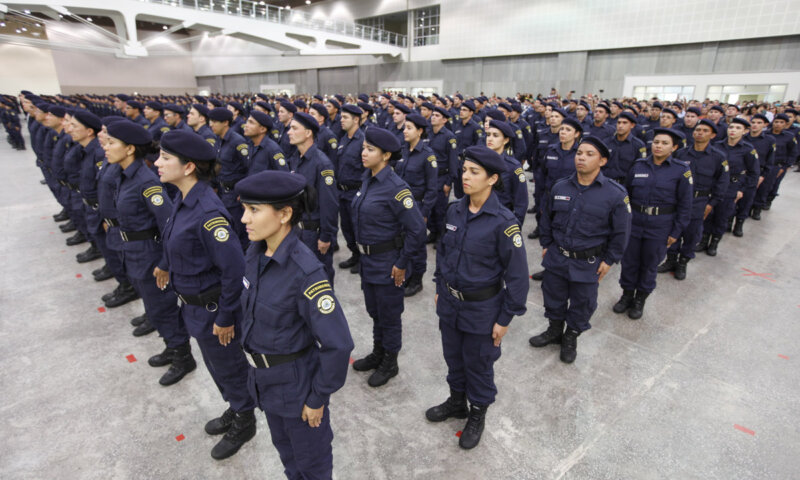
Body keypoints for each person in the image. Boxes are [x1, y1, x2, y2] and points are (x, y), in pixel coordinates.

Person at [235, 170, 354, 480]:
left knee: (312, 467)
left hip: (298, 391)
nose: (244, 218)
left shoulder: (306, 273)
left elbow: (338, 344)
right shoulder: (256, 253)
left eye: (254, 210)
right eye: (245, 209)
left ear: (285, 214)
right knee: (289, 461)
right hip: (266, 382)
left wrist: (318, 398)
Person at [152, 130, 257, 460]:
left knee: (230, 367)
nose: (158, 162)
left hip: (214, 309)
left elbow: (234, 270)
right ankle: (235, 406)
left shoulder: (209, 214)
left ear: (188, 167)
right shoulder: (183, 200)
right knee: (215, 366)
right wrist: (165, 265)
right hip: (193, 306)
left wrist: (225, 316)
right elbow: (176, 240)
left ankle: (245, 417)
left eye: (166, 158)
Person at [427, 145, 529, 450]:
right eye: (464, 170)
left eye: (474, 172)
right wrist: (437, 285)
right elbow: (443, 252)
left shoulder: (503, 221)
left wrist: (505, 318)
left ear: (492, 179)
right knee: (453, 358)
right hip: (450, 302)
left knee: (479, 364)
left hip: (482, 309)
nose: (465, 176)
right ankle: (457, 401)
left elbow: (518, 276)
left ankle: (477, 413)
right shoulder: (454, 209)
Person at [105, 120, 196, 385]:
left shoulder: (147, 182)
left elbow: (169, 225)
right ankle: (172, 346)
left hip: (150, 254)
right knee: (154, 308)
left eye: (112, 142)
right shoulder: (123, 176)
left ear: (130, 148)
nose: (106, 147)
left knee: (163, 308)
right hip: (132, 251)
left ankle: (183, 356)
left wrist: (165, 262)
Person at [530, 136, 630, 362]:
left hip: (588, 261)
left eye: (589, 154)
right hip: (557, 257)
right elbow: (547, 217)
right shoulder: (560, 186)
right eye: (579, 153)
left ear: (602, 161)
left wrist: (610, 260)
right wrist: (546, 244)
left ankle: (571, 336)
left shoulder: (615, 194)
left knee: (583, 303)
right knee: (553, 296)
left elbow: (621, 232)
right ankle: (554, 330)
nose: (581, 158)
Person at [350, 127, 427, 387]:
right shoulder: (367, 179)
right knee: (375, 312)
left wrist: (402, 263)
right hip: (368, 261)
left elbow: (417, 230)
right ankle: (378, 352)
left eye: (370, 149)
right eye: (364, 147)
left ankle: (390, 361)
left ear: (385, 156)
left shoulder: (396, 188)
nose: (364, 152)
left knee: (390, 314)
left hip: (387, 263)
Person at [612, 128, 692, 319]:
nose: (658, 146)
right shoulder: (639, 165)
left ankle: (640, 299)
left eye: (664, 143)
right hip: (635, 222)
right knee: (629, 261)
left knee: (649, 264)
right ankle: (627, 295)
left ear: (674, 148)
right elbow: (626, 196)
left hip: (661, 225)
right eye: (656, 142)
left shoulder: (681, 170)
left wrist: (676, 231)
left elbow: (685, 204)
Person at [660, 120, 729, 279]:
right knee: (674, 230)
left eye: (705, 131)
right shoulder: (681, 153)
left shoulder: (718, 157)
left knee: (692, 234)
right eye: (698, 130)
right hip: (677, 200)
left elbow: (722, 182)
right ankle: (671, 259)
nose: (700, 133)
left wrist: (711, 204)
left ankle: (683, 262)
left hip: (699, 202)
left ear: (712, 135)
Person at [286, 112, 340, 282]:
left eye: (294, 128)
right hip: (297, 229)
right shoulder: (295, 159)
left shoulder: (321, 163)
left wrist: (326, 236)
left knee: (319, 278)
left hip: (313, 233)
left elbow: (329, 204)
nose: (289, 132)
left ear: (308, 133)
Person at [698, 119, 759, 254]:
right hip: (714, 184)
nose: (733, 130)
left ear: (745, 131)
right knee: (708, 213)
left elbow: (753, 173)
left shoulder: (748, 149)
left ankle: (714, 242)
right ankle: (703, 240)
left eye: (738, 128)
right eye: (731, 127)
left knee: (722, 215)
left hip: (732, 186)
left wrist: (741, 190)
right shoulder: (717, 146)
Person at [395, 113, 437, 297]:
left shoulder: (427, 156)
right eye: (405, 127)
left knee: (417, 244)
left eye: (409, 128)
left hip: (418, 206)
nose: (405, 131)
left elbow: (432, 188)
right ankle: (407, 273)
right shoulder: (403, 151)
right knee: (404, 241)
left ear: (420, 131)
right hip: (401, 206)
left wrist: (425, 212)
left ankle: (417, 279)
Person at [208, 107, 251, 249]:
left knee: (239, 233)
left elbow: (249, 167)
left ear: (225, 122)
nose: (211, 125)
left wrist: (244, 191)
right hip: (222, 192)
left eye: (214, 121)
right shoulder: (218, 140)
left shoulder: (237, 142)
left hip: (235, 195)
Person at [332, 104, 366, 273]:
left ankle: (363, 260)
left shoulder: (363, 141)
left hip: (356, 192)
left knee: (358, 228)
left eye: (345, 117)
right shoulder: (344, 139)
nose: (341, 120)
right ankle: (355, 254)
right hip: (343, 192)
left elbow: (367, 170)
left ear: (356, 119)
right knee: (346, 228)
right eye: (341, 117)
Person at [425, 106, 460, 244]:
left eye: (437, 116)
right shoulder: (428, 133)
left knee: (440, 209)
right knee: (428, 208)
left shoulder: (449, 137)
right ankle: (433, 231)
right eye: (433, 114)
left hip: (441, 177)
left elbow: (453, 162)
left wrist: (448, 182)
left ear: (444, 120)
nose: (433, 117)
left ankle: (441, 234)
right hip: (428, 177)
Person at [484, 120, 529, 225]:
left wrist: (514, 226)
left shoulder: (513, 167)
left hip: (501, 220)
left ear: (505, 140)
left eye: (495, 135)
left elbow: (521, 202)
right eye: (488, 134)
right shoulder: (480, 163)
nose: (490, 138)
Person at [748, 114, 777, 220]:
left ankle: (757, 209)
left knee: (761, 191)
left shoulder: (769, 140)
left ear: (765, 125)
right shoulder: (744, 137)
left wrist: (764, 175)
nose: (755, 125)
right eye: (753, 122)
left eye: (759, 123)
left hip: (760, 170)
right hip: (745, 171)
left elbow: (770, 158)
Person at [604, 111, 647, 184]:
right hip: (606, 182)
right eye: (619, 122)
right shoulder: (606, 142)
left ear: (632, 125)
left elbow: (639, 168)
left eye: (624, 123)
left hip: (625, 185)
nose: (620, 126)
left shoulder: (638, 145)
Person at [243, 111, 288, 175]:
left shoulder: (273, 150)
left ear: (263, 129)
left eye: (251, 122)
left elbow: (284, 176)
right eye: (247, 121)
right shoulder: (250, 144)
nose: (246, 125)